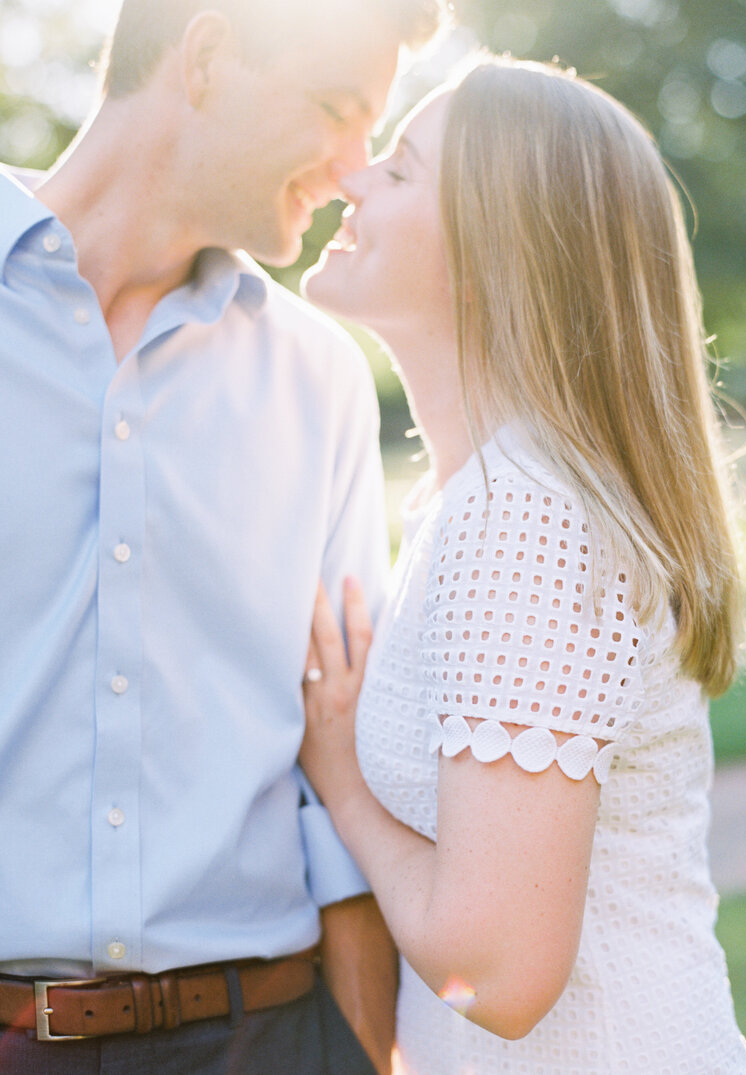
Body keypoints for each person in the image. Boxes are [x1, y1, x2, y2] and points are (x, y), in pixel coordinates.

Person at [0, 1, 443, 1072]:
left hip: (267, 1036)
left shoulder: (318, 378)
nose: (349, 170)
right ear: (204, 57)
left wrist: (366, 1053)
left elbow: (329, 764)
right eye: (335, 111)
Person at [299, 59, 746, 1074]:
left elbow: (499, 972)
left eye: (402, 171)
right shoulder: (481, 500)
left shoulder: (529, 516)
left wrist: (344, 788)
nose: (351, 181)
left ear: (494, 251)